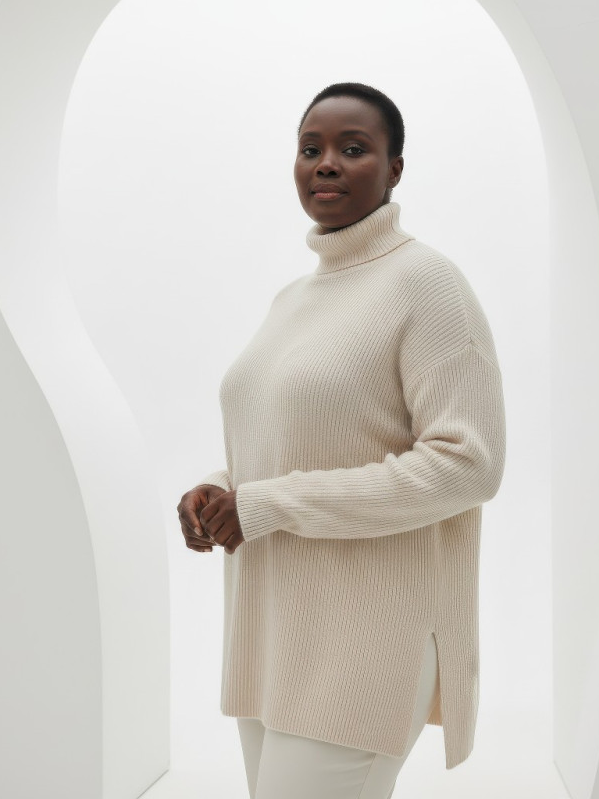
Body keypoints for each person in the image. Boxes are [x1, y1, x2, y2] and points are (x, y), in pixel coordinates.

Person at [176, 82, 506, 799]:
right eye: (310, 149)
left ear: (395, 169)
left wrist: (266, 505)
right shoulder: (292, 299)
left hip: (364, 638)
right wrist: (220, 490)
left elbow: (468, 465)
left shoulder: (428, 285)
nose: (326, 163)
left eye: (353, 149)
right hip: (271, 631)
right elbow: (290, 439)